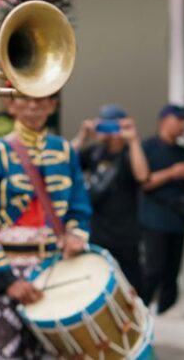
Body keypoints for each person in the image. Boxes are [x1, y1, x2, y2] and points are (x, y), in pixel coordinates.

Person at [0, 93, 92, 359]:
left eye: (42, 100)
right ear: (10, 104)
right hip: (5, 270)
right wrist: (6, 280)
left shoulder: (65, 151)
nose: (34, 106)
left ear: (53, 106)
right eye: (25, 99)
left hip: (54, 271)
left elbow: (79, 209)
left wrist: (76, 237)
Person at [73, 104, 149, 292]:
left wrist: (133, 139)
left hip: (125, 236)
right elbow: (63, 162)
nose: (108, 132)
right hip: (97, 233)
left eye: (113, 127)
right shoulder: (93, 152)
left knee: (130, 287)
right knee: (96, 286)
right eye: (104, 126)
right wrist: (83, 135)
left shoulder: (130, 154)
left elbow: (142, 176)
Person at [139, 103, 184, 314]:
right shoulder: (148, 147)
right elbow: (143, 182)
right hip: (155, 219)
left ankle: (167, 319)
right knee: (153, 271)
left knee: (172, 275)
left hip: (178, 218)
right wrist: (172, 173)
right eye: (179, 120)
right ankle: (139, 315)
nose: (183, 125)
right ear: (164, 121)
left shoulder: (182, 151)